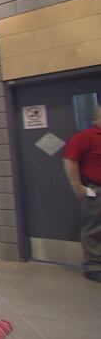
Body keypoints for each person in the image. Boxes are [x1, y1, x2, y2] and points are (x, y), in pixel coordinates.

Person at [63, 106, 101, 283]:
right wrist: (77, 186)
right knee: (93, 229)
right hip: (96, 190)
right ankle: (92, 266)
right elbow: (70, 159)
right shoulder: (86, 137)